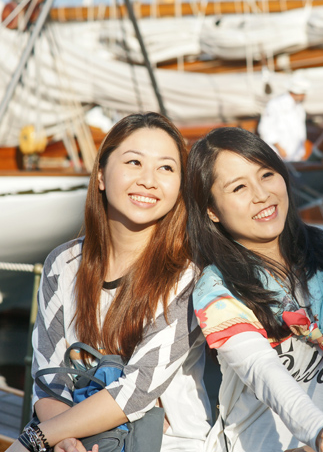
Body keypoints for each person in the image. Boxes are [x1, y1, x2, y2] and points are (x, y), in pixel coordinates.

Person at [9, 112, 211, 452]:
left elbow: (138, 389)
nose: (149, 180)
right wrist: (66, 441)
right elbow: (50, 379)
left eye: (166, 168)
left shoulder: (188, 275)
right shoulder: (63, 264)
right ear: (101, 175)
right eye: (134, 162)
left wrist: (37, 438)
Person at [185, 126, 323, 452]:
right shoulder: (215, 289)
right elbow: (262, 370)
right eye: (239, 187)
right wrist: (318, 431)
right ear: (211, 210)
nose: (262, 194)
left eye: (267, 174)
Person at [257, 75, 308, 161]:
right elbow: (266, 129)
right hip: (279, 154)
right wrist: (280, 148)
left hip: (295, 156)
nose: (304, 96)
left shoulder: (299, 108)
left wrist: (301, 151)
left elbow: (300, 131)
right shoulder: (275, 105)